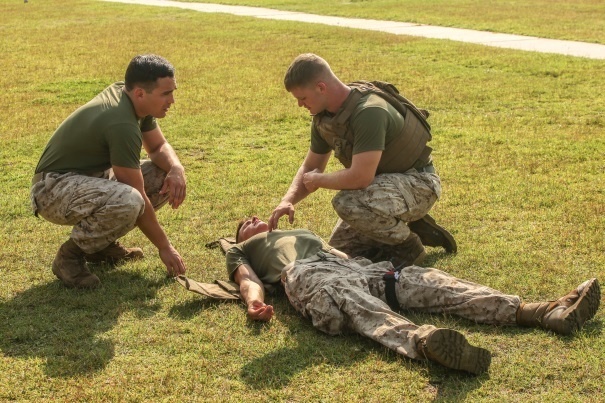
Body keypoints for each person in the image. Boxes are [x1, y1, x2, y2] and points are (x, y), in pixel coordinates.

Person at [226, 217, 600, 375]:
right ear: (242, 235)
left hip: (351, 266)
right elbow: (246, 278)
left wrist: (373, 268)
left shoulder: (303, 231)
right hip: (308, 276)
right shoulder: (242, 249)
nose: (254, 221)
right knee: (353, 301)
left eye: (256, 217)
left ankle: (539, 312)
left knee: (421, 279)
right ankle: (423, 342)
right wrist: (253, 301)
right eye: (246, 223)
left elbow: (341, 255)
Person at [268, 53, 458, 268]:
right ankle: (404, 223)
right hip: (383, 188)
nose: (300, 105)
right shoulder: (325, 117)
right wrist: (288, 200)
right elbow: (311, 166)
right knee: (341, 251)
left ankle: (408, 244)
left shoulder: (369, 111)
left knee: (347, 203)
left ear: (321, 87)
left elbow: (360, 177)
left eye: (302, 98)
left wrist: (320, 180)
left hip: (419, 184)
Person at [30, 54, 187, 289]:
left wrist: (176, 167)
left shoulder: (131, 98)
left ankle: (99, 247)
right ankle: (69, 257)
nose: (172, 100)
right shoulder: (121, 123)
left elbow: (157, 147)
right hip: (52, 189)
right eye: (166, 93)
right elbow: (136, 193)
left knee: (163, 175)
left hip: (89, 179)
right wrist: (165, 247)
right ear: (140, 93)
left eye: (172, 91)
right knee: (130, 200)